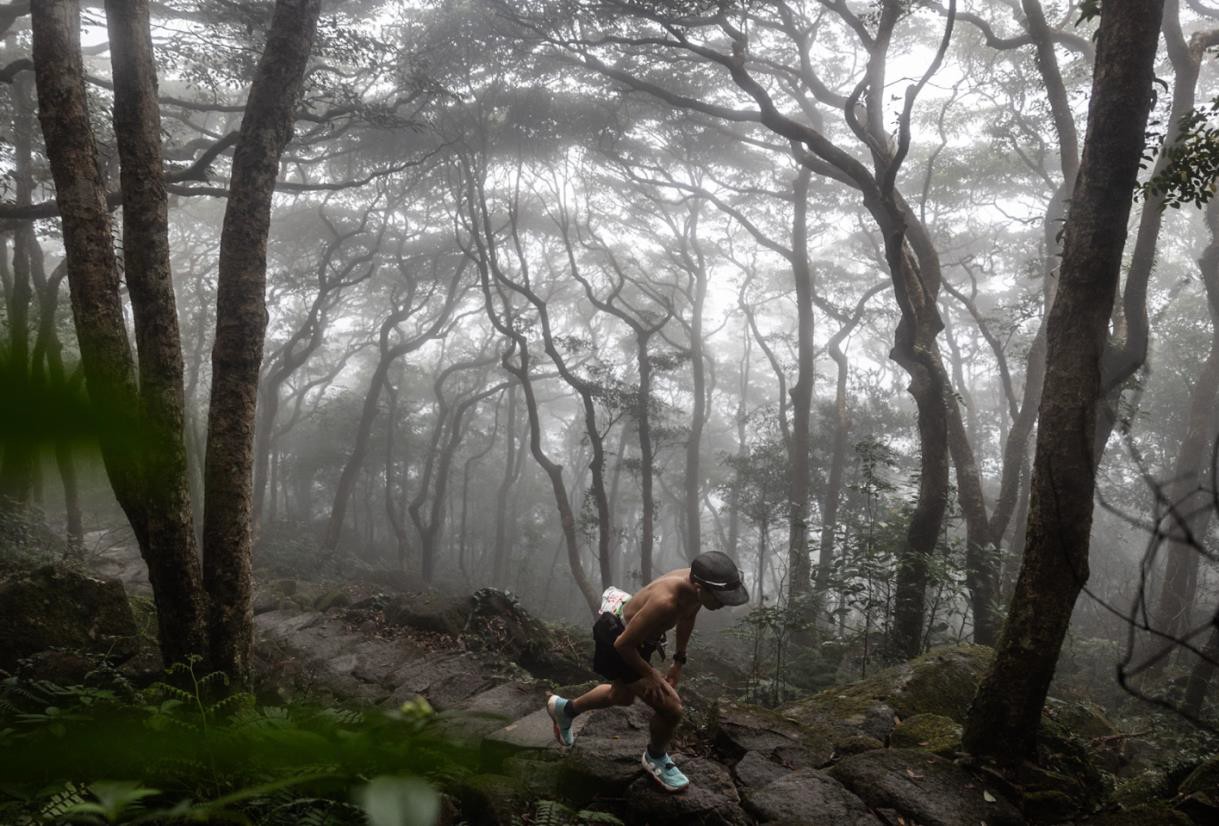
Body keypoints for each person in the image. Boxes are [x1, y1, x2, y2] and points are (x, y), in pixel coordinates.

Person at [545, 551, 749, 793]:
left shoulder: (695, 589)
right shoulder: (665, 603)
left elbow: (688, 618)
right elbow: (622, 644)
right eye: (719, 597)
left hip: (638, 638)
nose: (723, 604)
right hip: (618, 640)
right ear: (698, 587)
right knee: (672, 709)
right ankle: (655, 757)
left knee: (620, 696)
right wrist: (651, 674)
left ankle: (564, 709)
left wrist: (679, 660)